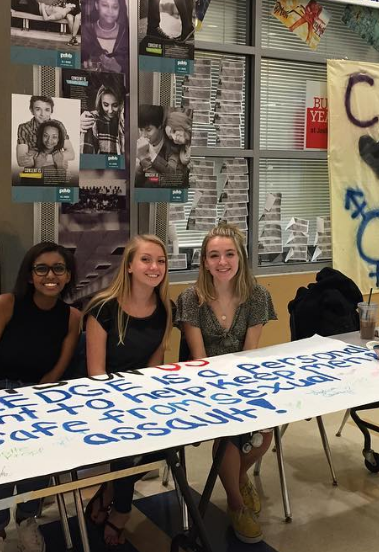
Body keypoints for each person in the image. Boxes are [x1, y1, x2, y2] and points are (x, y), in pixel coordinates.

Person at [0, 242, 82, 552]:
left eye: (59, 268)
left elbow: (56, 371)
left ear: (68, 276)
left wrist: (30, 404)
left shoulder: (72, 317)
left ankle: (27, 517)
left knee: (42, 446)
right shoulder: (6, 304)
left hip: (36, 390)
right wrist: (5, 406)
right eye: (41, 268)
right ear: (30, 276)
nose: (50, 275)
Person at [176, 223, 277, 544]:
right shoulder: (190, 298)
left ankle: (239, 474)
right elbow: (198, 356)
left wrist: (242, 390)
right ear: (204, 262)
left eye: (229, 254)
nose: (223, 262)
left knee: (266, 433)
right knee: (228, 432)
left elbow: (250, 353)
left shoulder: (258, 295)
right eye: (214, 255)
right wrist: (222, 394)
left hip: (242, 377)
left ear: (241, 258)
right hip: (203, 380)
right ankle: (235, 504)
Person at [83, 235, 174, 547]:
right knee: (126, 441)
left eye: (160, 261)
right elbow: (96, 372)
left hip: (140, 392)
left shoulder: (165, 308)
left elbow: (154, 365)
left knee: (174, 439)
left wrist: (147, 401)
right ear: (130, 266)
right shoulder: (102, 308)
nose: (154, 267)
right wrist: (123, 406)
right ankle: (121, 509)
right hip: (103, 396)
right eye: (146, 260)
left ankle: (110, 488)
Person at [16, 95, 76, 168]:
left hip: (54, 174)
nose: (42, 114)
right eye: (38, 109)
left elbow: (71, 154)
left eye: (47, 110)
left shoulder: (58, 125)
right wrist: (58, 160)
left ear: (51, 111)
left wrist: (37, 159)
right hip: (33, 174)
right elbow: (22, 162)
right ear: (32, 110)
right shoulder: (24, 128)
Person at [134, 105, 181, 187]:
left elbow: (173, 179)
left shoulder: (173, 145)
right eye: (141, 129)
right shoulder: (136, 143)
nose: (143, 135)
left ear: (160, 125)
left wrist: (151, 157)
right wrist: (139, 162)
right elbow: (134, 183)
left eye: (148, 130)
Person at [82, 0, 129, 74]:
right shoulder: (85, 32)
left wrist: (118, 68)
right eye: (105, 5)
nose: (110, 11)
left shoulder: (128, 34)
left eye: (115, 7)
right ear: (97, 5)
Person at [81, 81, 125, 155]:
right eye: (106, 105)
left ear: (121, 103)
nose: (110, 111)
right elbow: (86, 155)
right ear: (100, 102)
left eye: (115, 105)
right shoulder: (92, 119)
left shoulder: (122, 121)